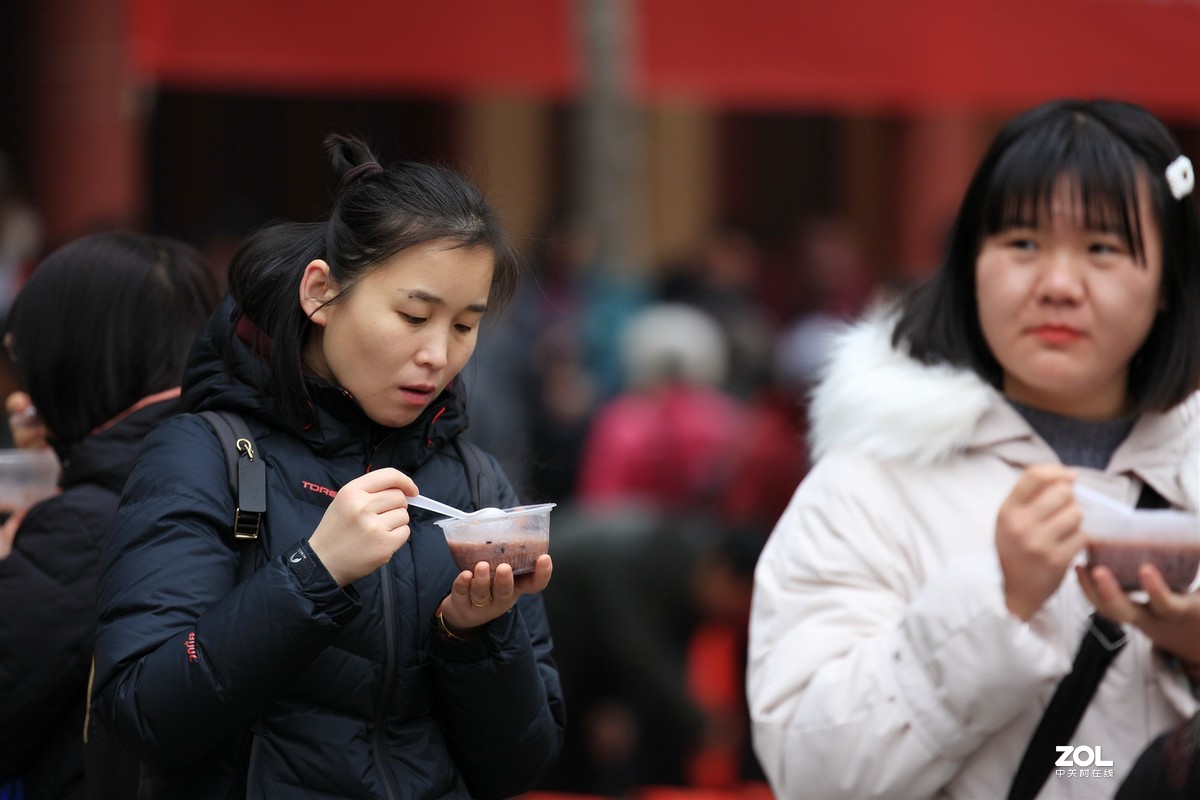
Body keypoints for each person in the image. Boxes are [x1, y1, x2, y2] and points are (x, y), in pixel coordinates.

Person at [746, 98, 1200, 799]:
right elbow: (810, 772)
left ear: (1170, 283)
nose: (1056, 286)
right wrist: (997, 600)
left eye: (1103, 249)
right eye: (1022, 244)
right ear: (971, 266)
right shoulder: (872, 481)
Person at [90, 134, 565, 799]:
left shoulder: (475, 483)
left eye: (464, 326)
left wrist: (474, 634)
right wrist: (314, 575)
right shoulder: (206, 453)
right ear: (321, 293)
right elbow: (143, 708)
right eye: (413, 314)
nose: (438, 354)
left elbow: (521, 763)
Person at [0, 230, 220, 799]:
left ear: (74, 359)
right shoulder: (229, 467)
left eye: (26, 360)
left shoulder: (86, 523)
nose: (19, 398)